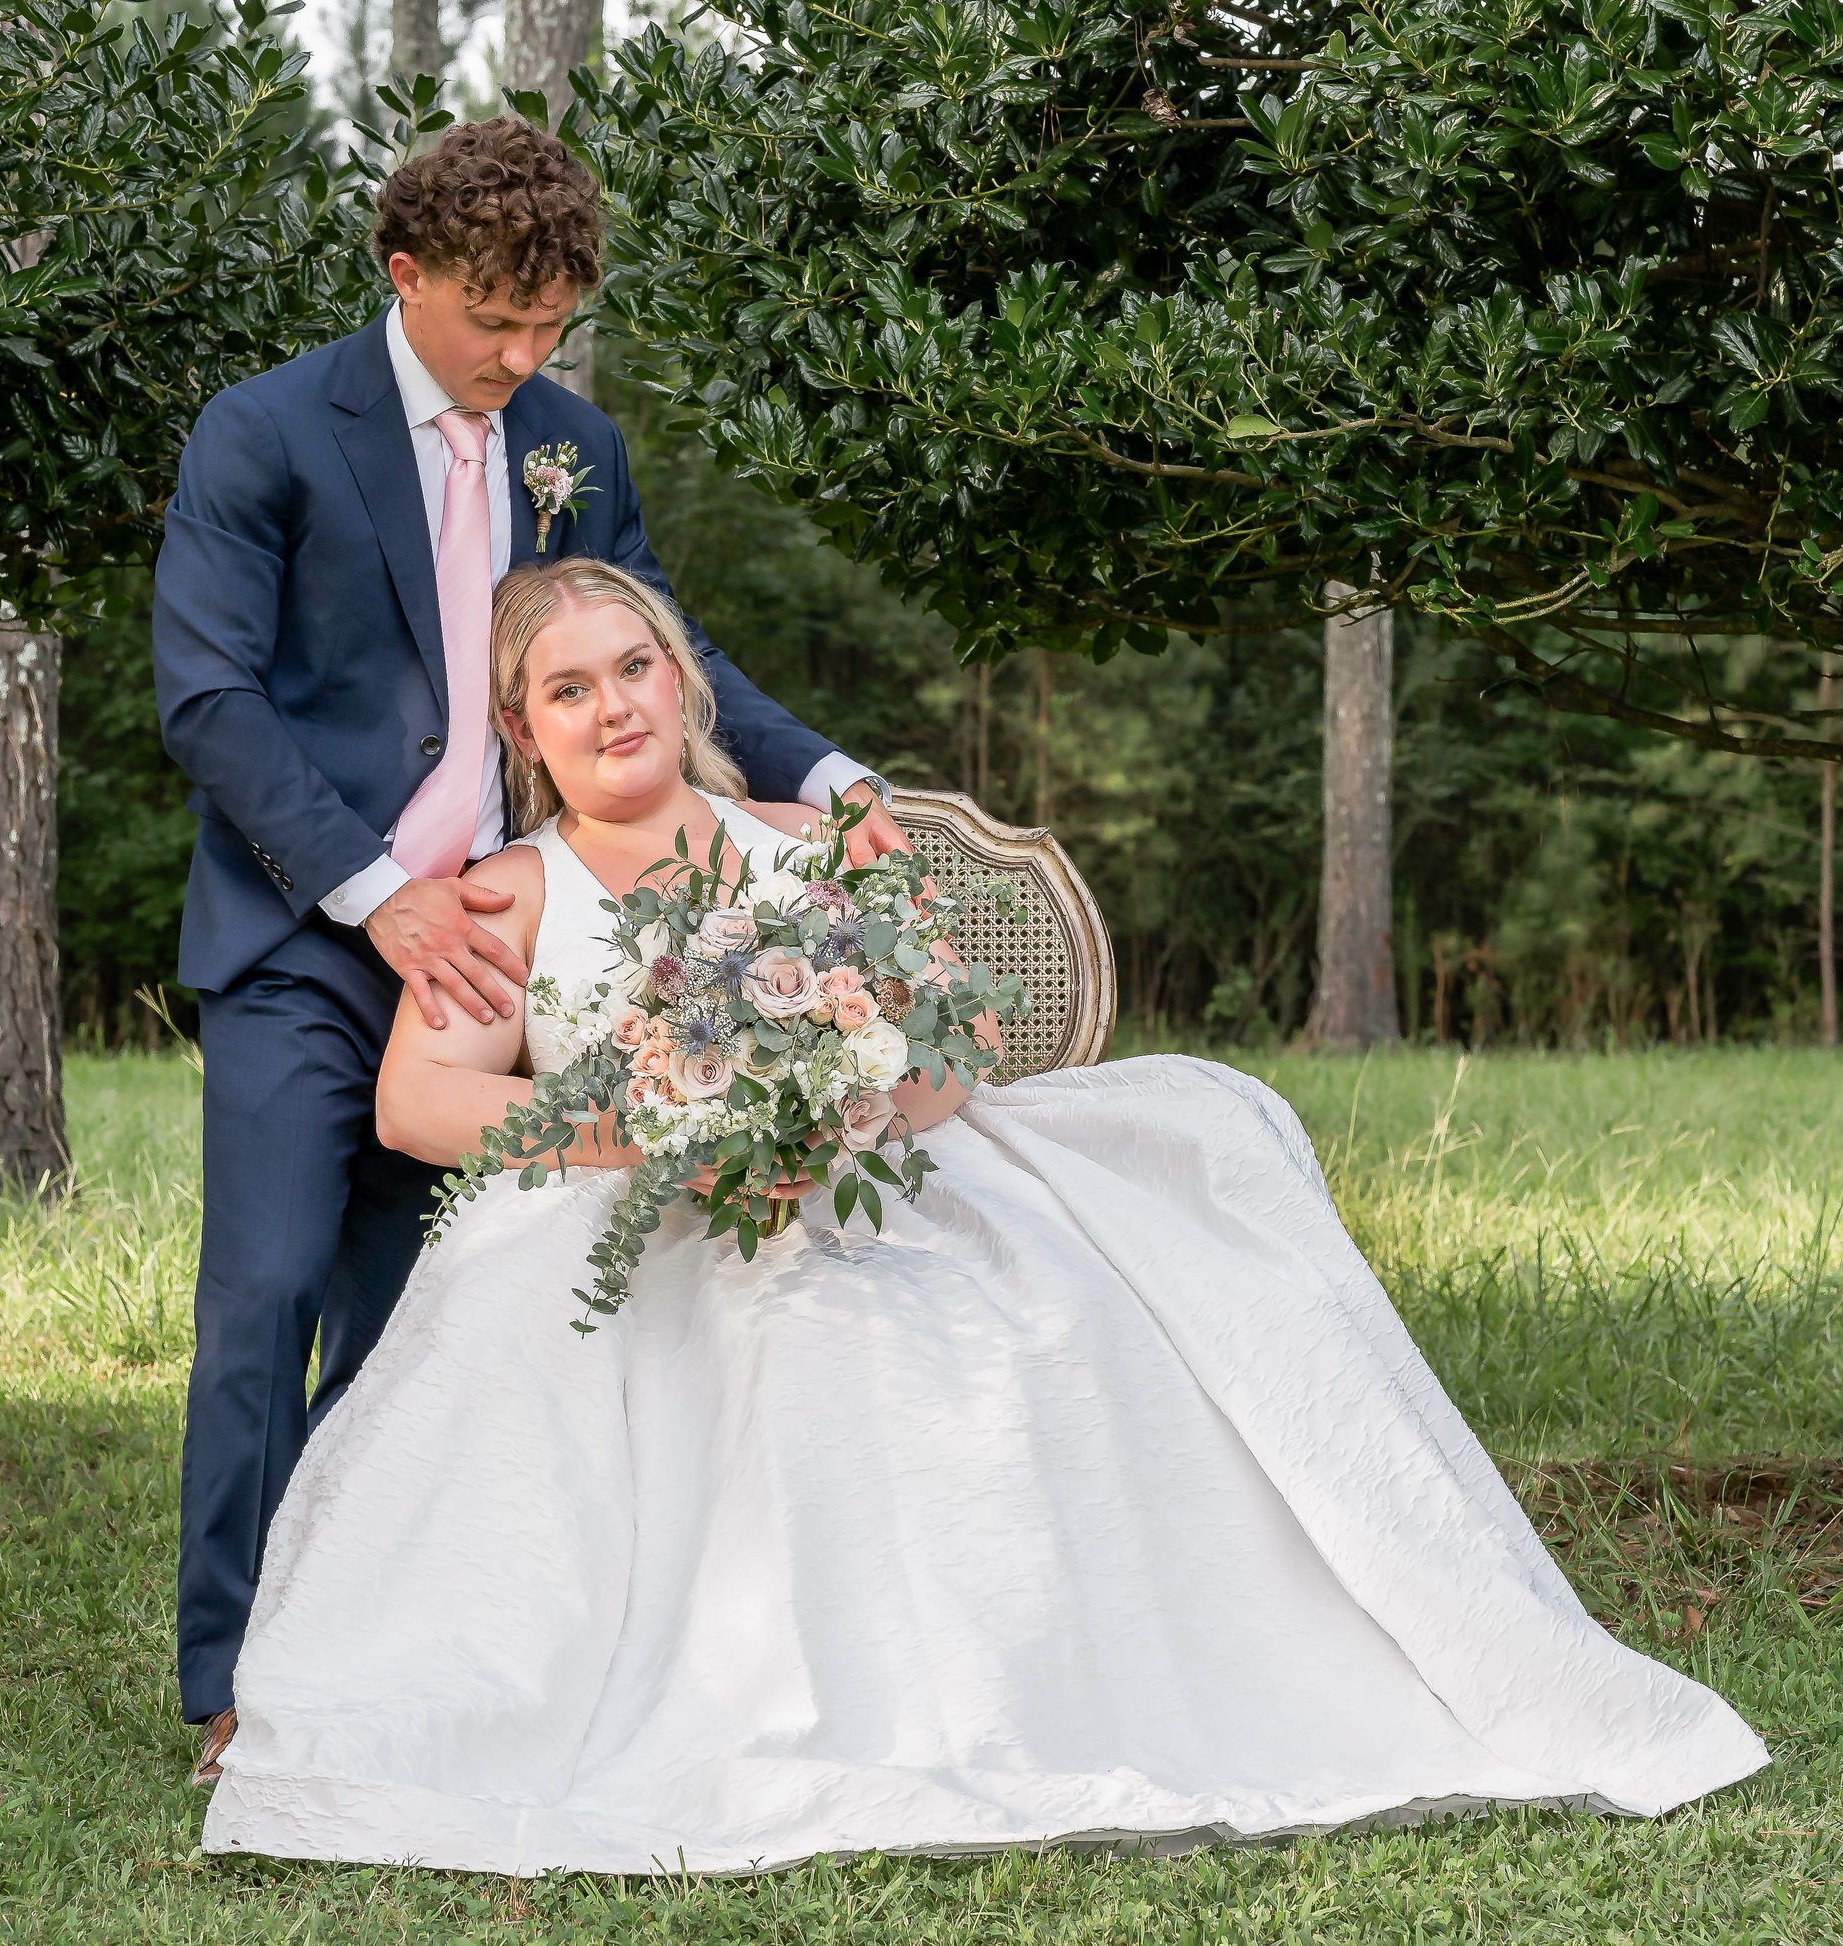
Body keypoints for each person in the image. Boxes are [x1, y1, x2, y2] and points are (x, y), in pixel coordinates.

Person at [199, 557, 1767, 1876]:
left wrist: (854, 1098)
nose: (612, 707)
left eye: (635, 669)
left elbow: (954, 1045)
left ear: (681, 682)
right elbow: (418, 1103)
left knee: (1099, 1265)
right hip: (640, 1222)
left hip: (869, 1185)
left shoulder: (812, 849)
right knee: (766, 1347)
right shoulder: (508, 892)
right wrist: (650, 1126)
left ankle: (1094, 1670)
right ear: (521, 727)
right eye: (567, 688)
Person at [151, 117, 904, 1787]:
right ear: (404, 273)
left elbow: (667, 654)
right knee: (269, 1293)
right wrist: (373, 891)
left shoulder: (573, 441)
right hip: (308, 934)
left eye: (553, 323)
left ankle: (363, 1646)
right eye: (496, 320)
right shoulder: (265, 432)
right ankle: (231, 1683)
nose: (522, 356)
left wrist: (844, 781)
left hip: (508, 948)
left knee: (414, 1316)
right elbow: (208, 698)